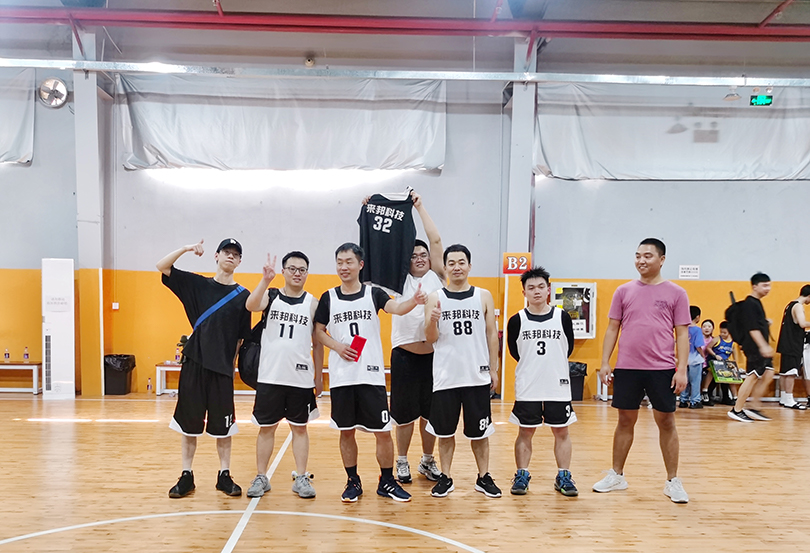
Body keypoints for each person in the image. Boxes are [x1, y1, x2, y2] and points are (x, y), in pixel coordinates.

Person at [314, 242, 426, 503]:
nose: (344, 267)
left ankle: (386, 481)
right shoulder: (328, 297)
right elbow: (318, 331)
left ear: (360, 264)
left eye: (349, 262)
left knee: (383, 431)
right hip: (343, 377)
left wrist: (414, 301)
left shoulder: (373, 293)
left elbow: (396, 308)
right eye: (340, 262)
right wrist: (337, 346)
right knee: (346, 431)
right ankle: (353, 481)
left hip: (371, 375)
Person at [593, 238, 690, 504]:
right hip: (627, 367)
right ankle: (617, 475)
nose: (641, 260)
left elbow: (682, 333)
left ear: (662, 260)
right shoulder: (623, 291)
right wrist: (605, 361)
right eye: (637, 256)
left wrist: (681, 369)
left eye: (647, 256)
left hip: (662, 368)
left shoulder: (677, 293)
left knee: (666, 422)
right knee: (625, 420)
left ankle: (672, 481)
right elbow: (612, 328)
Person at [157, 238, 251, 499]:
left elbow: (241, 338)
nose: (230, 256)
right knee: (189, 425)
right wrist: (186, 249)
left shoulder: (243, 296)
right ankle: (186, 475)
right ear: (216, 256)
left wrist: (231, 366)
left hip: (221, 370)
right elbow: (162, 266)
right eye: (226, 252)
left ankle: (224, 475)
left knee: (224, 427)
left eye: (235, 254)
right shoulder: (197, 285)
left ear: (239, 261)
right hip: (194, 364)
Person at [424, 244, 502, 499]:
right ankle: (446, 477)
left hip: (476, 376)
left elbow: (491, 334)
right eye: (451, 263)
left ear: (469, 266)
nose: (456, 267)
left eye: (461, 262)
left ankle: (483, 476)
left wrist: (494, 368)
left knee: (480, 432)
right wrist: (432, 321)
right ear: (445, 267)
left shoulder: (483, 295)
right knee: (445, 433)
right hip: (446, 376)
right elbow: (430, 338)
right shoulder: (435, 297)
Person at [244, 251, 324, 499]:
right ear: (284, 271)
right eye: (292, 269)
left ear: (307, 273)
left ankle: (301, 477)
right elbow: (250, 305)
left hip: (300, 378)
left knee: (300, 429)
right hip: (270, 376)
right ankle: (261, 476)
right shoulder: (271, 296)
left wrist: (319, 377)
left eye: (302, 270)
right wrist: (265, 280)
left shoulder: (313, 303)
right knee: (266, 428)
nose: (297, 273)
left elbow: (318, 343)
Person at [389, 192, 445, 485]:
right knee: (403, 415)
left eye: (423, 255)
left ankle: (427, 459)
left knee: (429, 414)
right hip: (404, 357)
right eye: (413, 255)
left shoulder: (438, 276)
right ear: (405, 260)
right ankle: (401, 460)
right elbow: (385, 244)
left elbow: (435, 239)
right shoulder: (398, 280)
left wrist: (420, 207)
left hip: (435, 356)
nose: (420, 258)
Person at [506, 266, 578, 497]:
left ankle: (564, 475)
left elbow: (568, 348)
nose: (536, 291)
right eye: (531, 288)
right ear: (524, 292)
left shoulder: (562, 317)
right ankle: (522, 474)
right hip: (529, 386)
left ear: (548, 290)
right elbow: (515, 352)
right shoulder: (516, 320)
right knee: (525, 431)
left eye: (540, 287)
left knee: (561, 431)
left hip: (557, 385)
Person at [728, 273, 776, 423]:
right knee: (752, 376)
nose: (768, 288)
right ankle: (737, 410)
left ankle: (754, 406)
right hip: (754, 347)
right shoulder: (750, 304)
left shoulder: (756, 303)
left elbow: (756, 324)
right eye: (764, 285)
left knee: (769, 373)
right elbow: (752, 328)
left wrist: (765, 323)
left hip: (758, 346)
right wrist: (763, 346)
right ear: (755, 286)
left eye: (769, 285)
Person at [775, 285, 810, 410]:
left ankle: (784, 398)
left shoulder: (790, 305)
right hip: (793, 344)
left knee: (784, 372)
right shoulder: (798, 306)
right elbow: (802, 323)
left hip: (786, 343)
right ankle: (789, 399)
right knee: (791, 372)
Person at [678, 306, 705, 409]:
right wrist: (702, 355)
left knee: (685, 380)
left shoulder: (683, 329)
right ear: (697, 317)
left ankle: (683, 400)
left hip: (684, 359)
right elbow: (698, 345)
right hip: (695, 360)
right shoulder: (697, 330)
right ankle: (695, 401)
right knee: (695, 381)